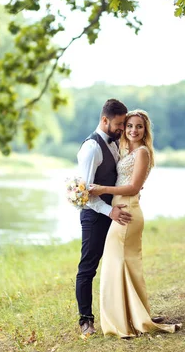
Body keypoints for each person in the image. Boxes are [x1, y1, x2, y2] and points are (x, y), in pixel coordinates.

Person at [89, 109, 178, 337]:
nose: (133, 130)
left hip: (127, 213)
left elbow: (134, 187)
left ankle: (122, 321)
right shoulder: (124, 149)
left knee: (114, 263)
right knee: (123, 265)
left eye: (138, 126)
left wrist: (101, 189)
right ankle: (132, 315)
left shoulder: (143, 153)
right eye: (129, 126)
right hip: (121, 208)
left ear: (145, 130)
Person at [75, 98, 133, 337]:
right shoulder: (91, 148)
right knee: (88, 267)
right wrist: (110, 211)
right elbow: (86, 193)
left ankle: (128, 314)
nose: (122, 129)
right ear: (104, 120)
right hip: (96, 216)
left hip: (114, 213)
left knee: (118, 263)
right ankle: (85, 320)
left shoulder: (115, 142)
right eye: (119, 124)